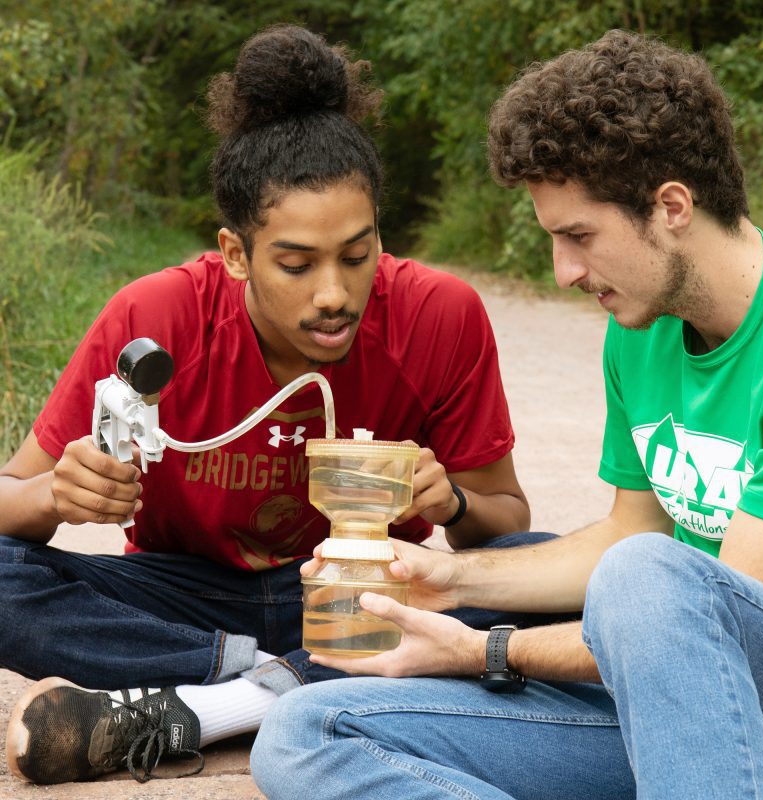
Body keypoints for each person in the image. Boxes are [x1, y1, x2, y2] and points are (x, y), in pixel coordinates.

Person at [250, 29, 763, 800]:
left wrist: (483, 650)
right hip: (677, 720)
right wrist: (448, 579)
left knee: (645, 580)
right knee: (309, 731)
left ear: (671, 205)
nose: (564, 272)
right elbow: (629, 532)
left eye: (578, 237)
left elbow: (696, 628)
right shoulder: (639, 335)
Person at [0, 25, 536, 786]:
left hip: (370, 589)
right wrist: (56, 494)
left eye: (358, 255)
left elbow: (505, 520)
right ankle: (263, 680)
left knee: (541, 573)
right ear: (235, 253)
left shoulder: (437, 317)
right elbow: (8, 498)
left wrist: (450, 503)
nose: (334, 294)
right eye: (295, 263)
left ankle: (207, 709)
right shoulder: (155, 318)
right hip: (188, 598)